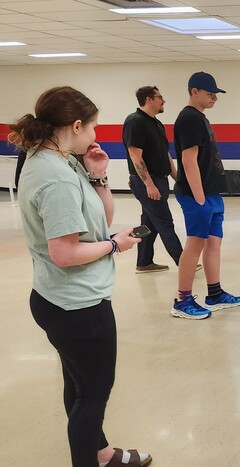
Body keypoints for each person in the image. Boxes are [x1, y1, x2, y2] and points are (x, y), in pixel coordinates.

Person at [10, 86, 151, 466]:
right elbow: (66, 252)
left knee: (79, 385)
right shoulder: (54, 177)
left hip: (62, 298)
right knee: (93, 395)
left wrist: (98, 175)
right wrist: (115, 245)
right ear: (75, 125)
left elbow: (97, 221)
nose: (95, 136)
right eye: (92, 128)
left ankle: (101, 453)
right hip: (76, 306)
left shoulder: (57, 160)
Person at [171, 71, 240, 319]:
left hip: (211, 193)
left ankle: (214, 293)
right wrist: (200, 198)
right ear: (194, 92)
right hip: (196, 196)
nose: (215, 98)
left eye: (216, 94)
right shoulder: (189, 119)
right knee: (195, 245)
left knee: (214, 244)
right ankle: (182, 300)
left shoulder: (200, 118)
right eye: (210, 93)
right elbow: (188, 160)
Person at [123, 86, 184, 274]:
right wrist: (149, 184)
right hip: (147, 183)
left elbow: (164, 153)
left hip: (160, 179)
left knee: (148, 224)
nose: (163, 101)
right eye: (160, 97)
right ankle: (183, 262)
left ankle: (143, 262)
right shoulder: (135, 122)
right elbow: (135, 155)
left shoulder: (156, 123)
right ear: (149, 99)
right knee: (165, 222)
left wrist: (177, 177)